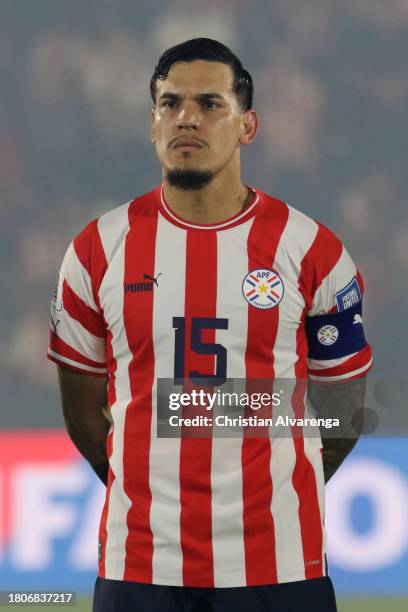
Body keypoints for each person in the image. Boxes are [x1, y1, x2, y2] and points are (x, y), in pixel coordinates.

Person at [48, 38, 372, 612]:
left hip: (280, 565)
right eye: (169, 103)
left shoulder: (312, 250)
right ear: (152, 125)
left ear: (248, 126)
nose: (186, 118)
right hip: (140, 565)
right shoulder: (96, 251)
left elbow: (343, 407)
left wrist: (276, 495)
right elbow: (80, 409)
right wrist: (143, 495)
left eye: (209, 103)